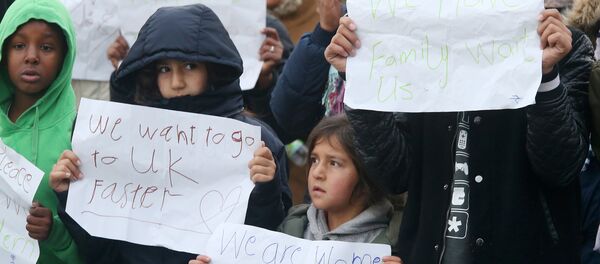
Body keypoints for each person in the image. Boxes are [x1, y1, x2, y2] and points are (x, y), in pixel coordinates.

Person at [325, 8, 593, 264]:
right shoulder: (420, 45)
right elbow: (395, 173)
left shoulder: (562, 46)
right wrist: (360, 77)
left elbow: (561, 168)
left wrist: (545, 76)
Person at [50, 4, 290, 263]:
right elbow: (101, 249)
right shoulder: (118, 139)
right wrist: (71, 194)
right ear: (150, 75)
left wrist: (266, 189)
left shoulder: (256, 142)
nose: (177, 81)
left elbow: (271, 239)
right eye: (165, 69)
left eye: (189, 66)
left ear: (212, 69)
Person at [189, 115, 404, 264]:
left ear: (368, 174)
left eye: (334, 163)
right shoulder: (291, 227)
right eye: (314, 160)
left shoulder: (392, 245)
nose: (317, 172)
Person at [0, 0, 83, 263]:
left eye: (47, 47)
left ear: (65, 56)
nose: (32, 56)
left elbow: (97, 248)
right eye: (19, 45)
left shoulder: (80, 134)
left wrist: (54, 232)